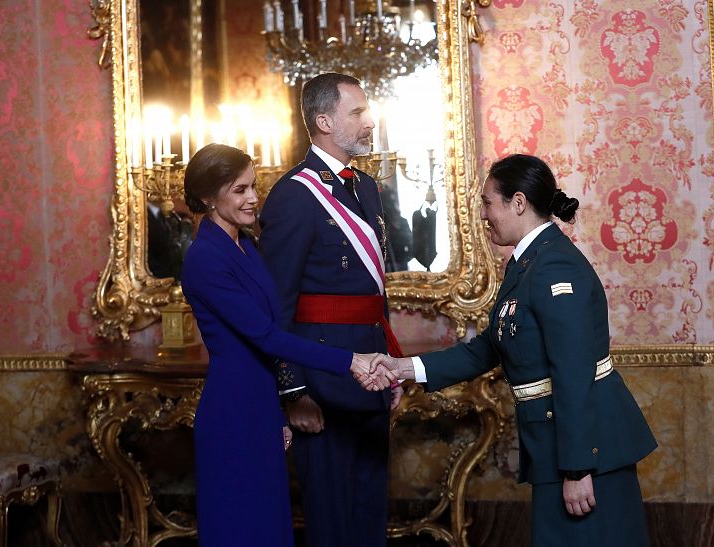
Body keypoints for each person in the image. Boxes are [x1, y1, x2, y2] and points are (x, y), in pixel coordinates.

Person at [376, 154, 658, 546]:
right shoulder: (528, 264)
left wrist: (576, 470)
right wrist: (403, 368)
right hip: (554, 450)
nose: (483, 214)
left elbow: (573, 374)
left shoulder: (556, 268)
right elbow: (486, 349)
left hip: (587, 455)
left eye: (488, 202)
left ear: (518, 202)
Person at [180, 143, 393, 546]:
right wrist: (349, 360)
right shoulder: (204, 257)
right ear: (208, 197)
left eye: (253, 187)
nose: (253, 199)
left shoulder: (246, 245)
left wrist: (279, 413)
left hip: (261, 402)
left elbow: (276, 318)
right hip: (234, 409)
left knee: (272, 527)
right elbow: (266, 335)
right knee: (240, 527)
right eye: (240, 190)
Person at [259, 72, 403, 547]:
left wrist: (392, 365)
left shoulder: (366, 187)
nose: (369, 121)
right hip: (321, 379)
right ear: (323, 121)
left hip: (371, 368)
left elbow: (374, 293)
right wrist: (293, 389)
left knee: (369, 511)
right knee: (332, 518)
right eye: (357, 112)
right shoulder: (293, 195)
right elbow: (276, 303)